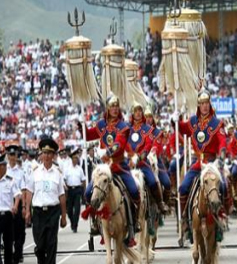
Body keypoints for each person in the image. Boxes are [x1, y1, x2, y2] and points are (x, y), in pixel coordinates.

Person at [82, 94, 140, 237]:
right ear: (107, 108)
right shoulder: (101, 124)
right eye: (112, 106)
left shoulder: (124, 126)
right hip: (104, 168)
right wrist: (81, 126)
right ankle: (96, 222)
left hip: (119, 166)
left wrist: (106, 151)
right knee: (89, 192)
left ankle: (134, 222)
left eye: (116, 105)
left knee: (133, 190)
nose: (114, 108)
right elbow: (89, 135)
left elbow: (119, 145)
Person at [173, 88, 230, 220]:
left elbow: (222, 141)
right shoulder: (192, 121)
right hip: (198, 162)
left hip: (212, 163)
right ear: (198, 105)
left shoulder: (217, 123)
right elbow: (181, 128)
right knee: (183, 187)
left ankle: (222, 213)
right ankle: (185, 218)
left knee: (223, 185)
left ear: (210, 104)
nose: (204, 106)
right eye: (202, 103)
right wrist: (175, 119)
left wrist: (222, 154)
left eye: (206, 103)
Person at [25, 138, 67, 264]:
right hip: (38, 213)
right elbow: (29, 192)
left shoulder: (58, 173)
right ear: (41, 154)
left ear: (53, 155)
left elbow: (61, 196)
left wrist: (64, 216)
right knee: (40, 246)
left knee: (51, 245)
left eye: (50, 153)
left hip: (53, 213)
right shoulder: (35, 172)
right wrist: (27, 211)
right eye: (44, 153)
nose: (47, 156)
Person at [126, 101, 168, 214]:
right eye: (136, 111)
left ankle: (160, 203)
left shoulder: (147, 129)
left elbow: (149, 144)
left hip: (142, 163)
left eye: (140, 111)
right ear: (132, 113)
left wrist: (139, 157)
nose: (138, 113)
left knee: (153, 182)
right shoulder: (126, 128)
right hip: (128, 162)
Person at [144, 106, 172, 207]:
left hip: (156, 159)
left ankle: (164, 203)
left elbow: (157, 144)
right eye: (146, 117)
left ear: (153, 118)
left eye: (150, 117)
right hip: (142, 159)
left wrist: (153, 151)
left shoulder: (158, 132)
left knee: (167, 183)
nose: (148, 119)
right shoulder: (140, 131)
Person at [0, 153, 21, 264]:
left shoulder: (10, 180)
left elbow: (17, 195)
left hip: (7, 215)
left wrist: (15, 205)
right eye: (3, 165)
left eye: (4, 165)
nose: (4, 167)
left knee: (8, 244)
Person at [5, 145, 26, 264]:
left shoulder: (20, 172)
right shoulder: (3, 170)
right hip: (7, 203)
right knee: (8, 232)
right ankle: (10, 254)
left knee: (20, 232)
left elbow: (23, 190)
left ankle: (16, 257)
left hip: (18, 202)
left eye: (14, 155)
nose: (12, 157)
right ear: (7, 156)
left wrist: (23, 206)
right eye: (10, 155)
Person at [64, 148, 86, 233]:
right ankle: (72, 222)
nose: (75, 160)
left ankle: (75, 226)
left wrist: (83, 192)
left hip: (77, 190)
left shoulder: (79, 169)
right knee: (69, 210)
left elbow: (83, 180)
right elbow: (64, 180)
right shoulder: (67, 169)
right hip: (69, 190)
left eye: (76, 159)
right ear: (71, 159)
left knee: (77, 210)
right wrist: (65, 191)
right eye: (74, 158)